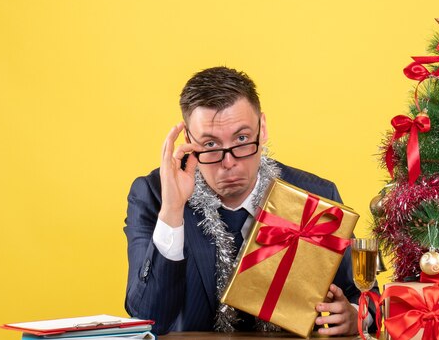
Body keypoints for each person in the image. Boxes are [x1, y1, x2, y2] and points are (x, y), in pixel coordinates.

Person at [124, 66, 377, 335]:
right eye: (210, 145)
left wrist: (355, 315)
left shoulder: (317, 196)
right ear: (188, 141)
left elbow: (366, 296)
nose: (229, 162)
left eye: (242, 138)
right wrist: (173, 210)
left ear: (262, 129)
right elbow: (149, 319)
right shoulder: (153, 195)